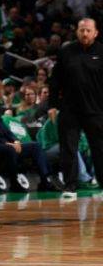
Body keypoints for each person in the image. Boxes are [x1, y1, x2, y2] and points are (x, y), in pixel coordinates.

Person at [0, 87, 63, 191]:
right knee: (10, 149)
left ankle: (45, 181)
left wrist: (15, 140)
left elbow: (5, 130)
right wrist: (6, 143)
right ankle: (14, 183)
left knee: (35, 146)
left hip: (1, 145)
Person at [49, 18, 103, 199]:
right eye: (82, 30)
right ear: (77, 32)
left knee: (99, 149)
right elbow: (55, 81)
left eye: (88, 30)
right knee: (68, 149)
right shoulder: (66, 51)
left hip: (96, 110)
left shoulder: (101, 51)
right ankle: (70, 186)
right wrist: (52, 105)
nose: (85, 33)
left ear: (96, 33)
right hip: (70, 109)